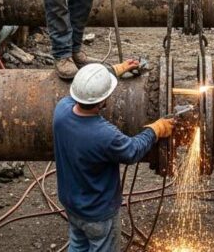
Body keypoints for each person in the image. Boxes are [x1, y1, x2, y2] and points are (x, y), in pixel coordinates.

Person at [53, 62, 175, 252]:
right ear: (103, 101)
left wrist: (114, 71)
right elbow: (132, 151)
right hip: (98, 212)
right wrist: (155, 130)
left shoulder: (61, 110)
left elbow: (84, 91)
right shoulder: (104, 135)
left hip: (71, 204)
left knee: (78, 243)